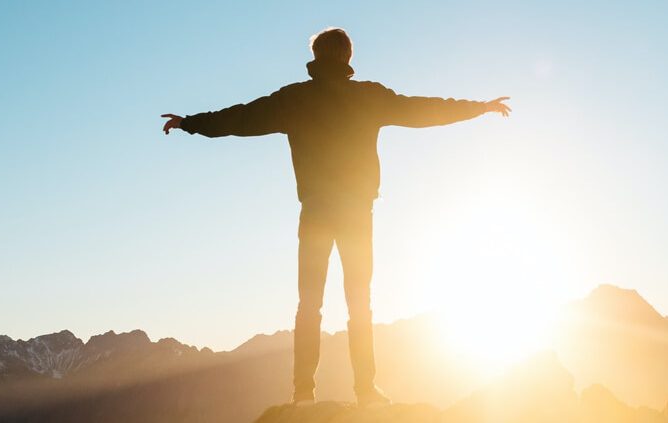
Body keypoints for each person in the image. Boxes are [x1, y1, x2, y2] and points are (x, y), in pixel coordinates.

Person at [161, 27, 510, 408]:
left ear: (316, 56)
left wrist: (189, 122)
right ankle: (366, 392)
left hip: (315, 212)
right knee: (360, 301)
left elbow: (241, 118)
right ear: (347, 57)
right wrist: (480, 107)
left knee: (309, 304)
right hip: (358, 213)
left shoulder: (295, 98)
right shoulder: (369, 97)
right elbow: (425, 109)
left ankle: (303, 393)